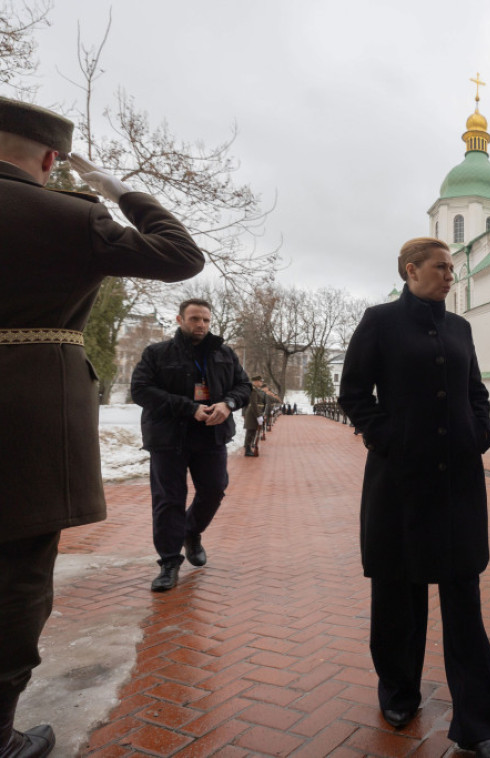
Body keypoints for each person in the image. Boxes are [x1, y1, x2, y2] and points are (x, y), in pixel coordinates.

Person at [0, 97, 204, 757]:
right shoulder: (68, 216)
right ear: (51, 159)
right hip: (28, 420)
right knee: (17, 576)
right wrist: (117, 192)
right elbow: (181, 254)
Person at [339, 237, 490, 758]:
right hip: (399, 482)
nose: (450, 275)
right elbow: (354, 393)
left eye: (452, 269)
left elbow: (476, 391)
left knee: (463, 601)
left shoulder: (460, 327)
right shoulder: (380, 321)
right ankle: (398, 690)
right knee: (398, 594)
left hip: (458, 483)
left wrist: (480, 431)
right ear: (411, 270)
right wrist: (386, 437)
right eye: (441, 267)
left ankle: (478, 723)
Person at [131, 299, 251, 592]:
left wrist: (228, 403)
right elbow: (141, 390)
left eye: (206, 320)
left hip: (211, 435)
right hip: (169, 438)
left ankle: (191, 532)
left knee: (214, 489)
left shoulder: (224, 353)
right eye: (195, 318)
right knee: (169, 499)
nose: (201, 325)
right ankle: (169, 562)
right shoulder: (157, 353)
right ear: (180, 319)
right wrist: (189, 408)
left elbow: (244, 386)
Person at [243, 375, 267, 457]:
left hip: (255, 413)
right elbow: (254, 404)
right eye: (260, 381)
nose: (261, 382)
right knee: (250, 431)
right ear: (255, 381)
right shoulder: (253, 390)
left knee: (253, 431)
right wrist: (258, 416)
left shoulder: (257, 390)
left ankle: (249, 448)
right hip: (252, 413)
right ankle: (247, 450)